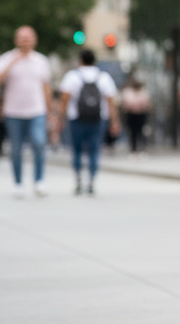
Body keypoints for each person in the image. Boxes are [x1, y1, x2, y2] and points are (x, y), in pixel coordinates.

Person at [0, 26, 53, 198]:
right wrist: (13, 62)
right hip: (13, 112)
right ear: (16, 40)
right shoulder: (7, 58)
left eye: (28, 38)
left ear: (34, 40)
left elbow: (46, 88)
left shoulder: (41, 61)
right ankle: (18, 184)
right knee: (15, 149)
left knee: (38, 143)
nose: (25, 41)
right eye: (22, 38)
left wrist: (49, 110)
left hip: (36, 110)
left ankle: (39, 181)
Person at [59, 49, 119, 195]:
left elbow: (65, 99)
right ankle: (91, 180)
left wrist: (61, 118)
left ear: (80, 60)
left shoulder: (72, 76)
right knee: (94, 150)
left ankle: (78, 179)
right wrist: (115, 121)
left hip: (76, 118)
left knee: (77, 150)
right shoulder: (103, 77)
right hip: (98, 119)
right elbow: (111, 101)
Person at [121, 76, 151, 157]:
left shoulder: (144, 92)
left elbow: (147, 104)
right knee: (132, 133)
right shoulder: (128, 93)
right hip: (131, 115)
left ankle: (142, 149)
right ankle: (133, 150)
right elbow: (125, 105)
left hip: (141, 115)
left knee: (141, 132)